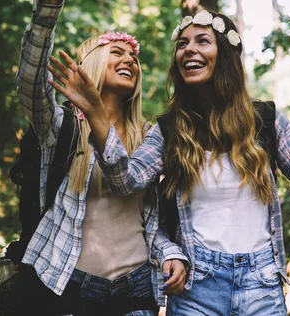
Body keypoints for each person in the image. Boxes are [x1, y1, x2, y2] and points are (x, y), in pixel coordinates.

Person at [48, 9, 290, 315]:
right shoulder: (168, 130)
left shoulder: (267, 121)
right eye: (182, 44)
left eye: (202, 41)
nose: (189, 50)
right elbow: (127, 181)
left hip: (262, 283)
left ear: (224, 56)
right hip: (198, 285)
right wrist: (95, 114)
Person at [14, 0, 189, 314]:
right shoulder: (62, 127)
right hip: (68, 288)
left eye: (134, 57)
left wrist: (169, 253)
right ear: (91, 64)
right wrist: (47, 14)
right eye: (117, 53)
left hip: (137, 292)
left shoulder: (151, 135)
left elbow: (149, 223)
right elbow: (30, 84)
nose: (130, 60)